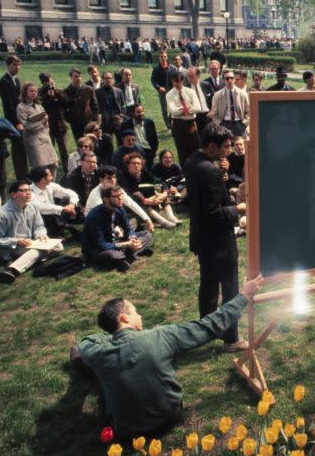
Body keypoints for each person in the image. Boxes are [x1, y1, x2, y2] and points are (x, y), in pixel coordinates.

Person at [73, 274, 264, 436]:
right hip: (169, 417)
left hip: (127, 430)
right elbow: (208, 326)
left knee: (99, 377)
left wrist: (112, 342)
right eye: (135, 312)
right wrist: (244, 295)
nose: (140, 316)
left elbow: (84, 343)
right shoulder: (159, 335)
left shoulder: (97, 352)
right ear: (124, 318)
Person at [184, 123, 248, 351]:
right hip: (219, 242)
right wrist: (239, 209)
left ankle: (205, 332)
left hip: (201, 238)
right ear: (212, 146)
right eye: (226, 147)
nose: (229, 150)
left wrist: (221, 172)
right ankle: (231, 339)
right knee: (230, 290)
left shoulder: (192, 162)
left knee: (208, 288)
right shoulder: (209, 171)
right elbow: (214, 214)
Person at [0, 180, 63, 284]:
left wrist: (41, 235)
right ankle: (12, 270)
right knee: (37, 251)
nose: (28, 193)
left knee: (59, 246)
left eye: (29, 190)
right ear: (13, 195)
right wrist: (16, 241)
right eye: (23, 190)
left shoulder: (32, 206)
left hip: (31, 243)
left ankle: (20, 263)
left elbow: (39, 226)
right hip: (13, 248)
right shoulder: (0, 214)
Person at [82, 184, 153, 271]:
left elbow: (128, 229)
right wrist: (126, 244)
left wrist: (133, 238)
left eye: (120, 195)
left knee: (147, 234)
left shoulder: (119, 208)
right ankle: (134, 252)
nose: (120, 199)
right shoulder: (95, 216)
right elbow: (101, 245)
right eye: (116, 196)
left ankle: (128, 254)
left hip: (115, 241)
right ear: (106, 199)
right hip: (96, 249)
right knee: (112, 255)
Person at [121, 152, 181, 228]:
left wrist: (164, 193)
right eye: (134, 163)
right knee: (139, 201)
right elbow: (131, 193)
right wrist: (146, 200)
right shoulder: (124, 176)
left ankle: (172, 218)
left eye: (139, 164)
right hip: (133, 206)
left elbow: (160, 182)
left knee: (162, 196)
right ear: (128, 164)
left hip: (148, 199)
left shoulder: (144, 173)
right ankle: (164, 222)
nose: (136, 165)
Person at [17, 82, 58, 175]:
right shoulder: (21, 107)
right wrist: (42, 122)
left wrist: (45, 123)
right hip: (34, 140)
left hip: (45, 137)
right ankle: (40, 186)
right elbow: (27, 126)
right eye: (31, 91)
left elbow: (45, 119)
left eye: (35, 91)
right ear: (25, 92)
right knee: (40, 167)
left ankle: (51, 185)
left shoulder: (39, 105)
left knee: (54, 164)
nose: (34, 93)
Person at [0, 55, 28, 181]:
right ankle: (21, 176)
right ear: (8, 65)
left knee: (22, 147)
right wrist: (17, 123)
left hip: (20, 118)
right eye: (14, 65)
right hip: (13, 121)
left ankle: (25, 174)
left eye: (19, 65)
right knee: (17, 148)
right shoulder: (4, 82)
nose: (17, 67)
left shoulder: (16, 80)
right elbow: (9, 106)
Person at [29, 166, 79, 238]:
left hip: (54, 215)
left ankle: (62, 227)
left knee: (67, 198)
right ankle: (63, 227)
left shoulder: (50, 186)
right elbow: (41, 208)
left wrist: (71, 205)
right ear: (43, 180)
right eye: (50, 176)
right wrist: (63, 208)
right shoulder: (29, 191)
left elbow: (70, 193)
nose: (52, 177)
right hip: (40, 219)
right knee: (48, 214)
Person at [166, 72, 201, 165]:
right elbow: (173, 111)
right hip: (178, 124)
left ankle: (197, 168)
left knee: (195, 148)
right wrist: (188, 108)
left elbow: (198, 108)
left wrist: (181, 110)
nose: (178, 83)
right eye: (175, 81)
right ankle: (185, 172)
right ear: (172, 82)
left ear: (183, 81)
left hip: (191, 124)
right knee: (182, 151)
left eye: (180, 81)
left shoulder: (190, 92)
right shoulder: (169, 94)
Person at [37, 72, 69, 170]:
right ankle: (48, 170)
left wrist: (57, 93)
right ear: (43, 82)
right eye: (47, 81)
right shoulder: (40, 93)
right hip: (47, 126)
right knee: (48, 150)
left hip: (60, 125)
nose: (49, 83)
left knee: (64, 150)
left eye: (50, 80)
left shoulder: (58, 91)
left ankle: (67, 169)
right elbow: (40, 106)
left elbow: (66, 103)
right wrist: (48, 96)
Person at [208, 69, 249, 138]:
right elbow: (214, 113)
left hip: (239, 123)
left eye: (231, 78)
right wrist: (219, 124)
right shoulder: (217, 95)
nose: (229, 80)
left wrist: (245, 123)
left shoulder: (242, 94)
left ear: (234, 80)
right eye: (227, 78)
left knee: (240, 146)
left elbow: (248, 111)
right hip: (224, 123)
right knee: (226, 146)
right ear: (223, 80)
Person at [64, 68, 99, 140]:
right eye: (75, 76)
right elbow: (64, 109)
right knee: (79, 141)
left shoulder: (89, 89)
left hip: (89, 121)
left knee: (92, 141)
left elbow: (95, 105)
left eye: (79, 76)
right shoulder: (66, 92)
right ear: (71, 78)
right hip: (75, 123)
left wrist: (94, 119)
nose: (78, 78)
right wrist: (70, 120)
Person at [96, 72, 125, 137]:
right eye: (106, 78)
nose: (108, 80)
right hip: (105, 122)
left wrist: (121, 116)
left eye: (110, 78)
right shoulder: (97, 92)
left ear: (112, 79)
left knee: (120, 139)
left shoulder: (119, 91)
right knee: (107, 140)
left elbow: (123, 105)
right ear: (102, 80)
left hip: (117, 120)